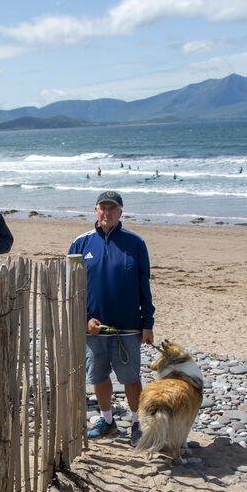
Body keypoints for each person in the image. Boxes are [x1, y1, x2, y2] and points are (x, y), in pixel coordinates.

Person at [68, 190, 154, 446]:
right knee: (99, 376)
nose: (107, 213)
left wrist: (147, 323)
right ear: (95, 211)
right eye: (102, 208)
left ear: (120, 212)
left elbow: (144, 284)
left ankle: (137, 423)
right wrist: (85, 319)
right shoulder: (81, 243)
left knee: (130, 377)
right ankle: (107, 421)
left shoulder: (135, 243)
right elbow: (71, 287)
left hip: (128, 327)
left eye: (112, 208)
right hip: (94, 328)